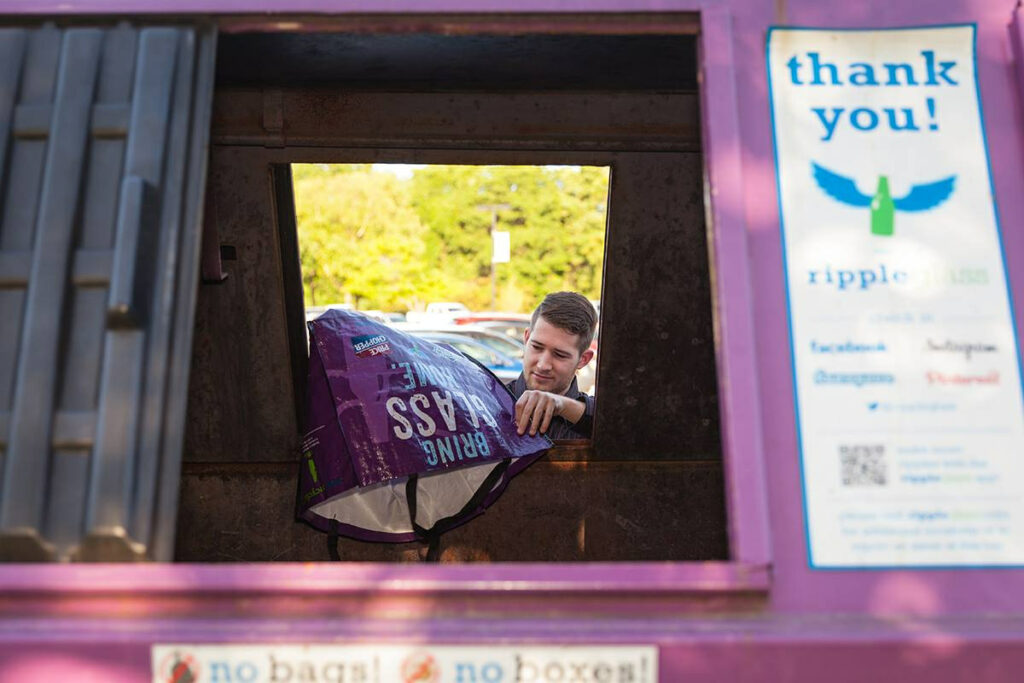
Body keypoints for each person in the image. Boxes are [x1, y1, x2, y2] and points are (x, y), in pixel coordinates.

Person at [506, 291, 597, 440]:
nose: (543, 365)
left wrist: (564, 406)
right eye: (537, 347)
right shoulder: (487, 405)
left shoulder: (598, 421)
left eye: (559, 355)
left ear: (583, 359)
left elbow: (628, 424)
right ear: (527, 338)